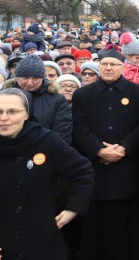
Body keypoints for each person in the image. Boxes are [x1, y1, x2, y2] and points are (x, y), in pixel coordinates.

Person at [71, 48, 139, 260]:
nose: (108, 68)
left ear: (122, 67)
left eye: (113, 64)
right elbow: (80, 128)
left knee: (126, 222)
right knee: (94, 223)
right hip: (94, 167)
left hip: (127, 167)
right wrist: (98, 150)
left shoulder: (138, 93)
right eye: (104, 64)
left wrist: (124, 147)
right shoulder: (82, 95)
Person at [0, 88, 94, 260]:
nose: (4, 117)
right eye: (0, 112)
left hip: (39, 235)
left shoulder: (46, 140)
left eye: (12, 111)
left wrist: (74, 208)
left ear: (27, 114)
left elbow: (82, 172)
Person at [4, 54, 72, 144]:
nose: (30, 82)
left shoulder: (57, 100)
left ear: (42, 78)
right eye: (25, 77)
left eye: (35, 78)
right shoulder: (4, 97)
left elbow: (62, 134)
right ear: (16, 77)